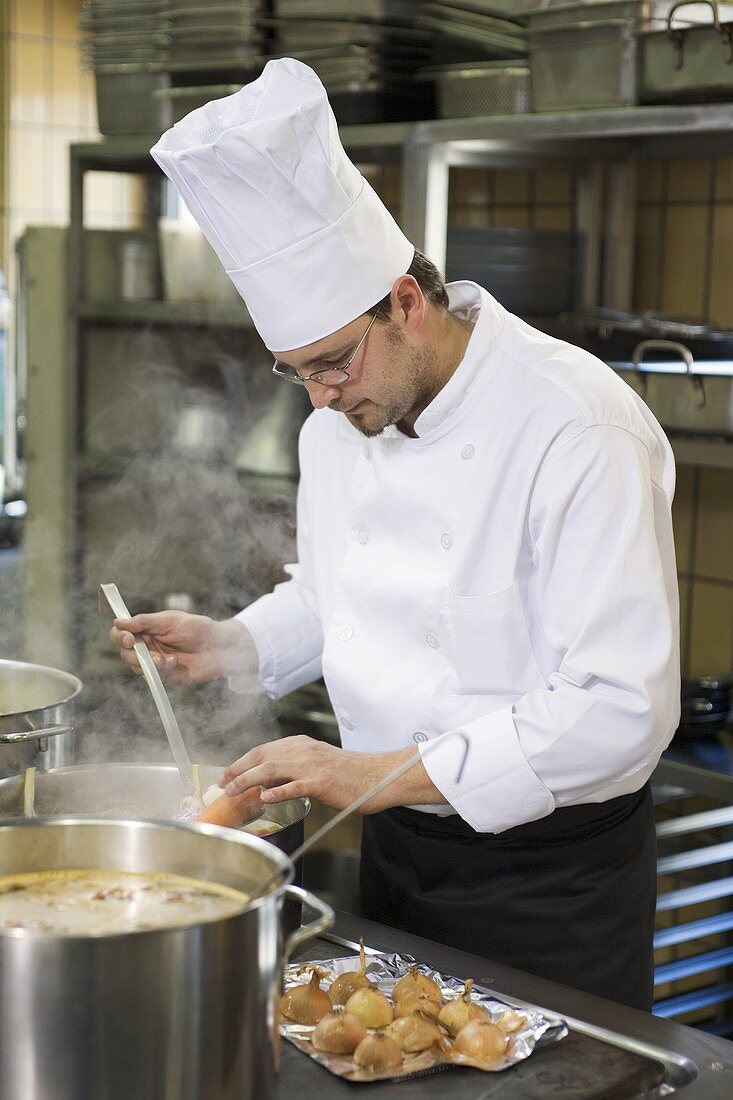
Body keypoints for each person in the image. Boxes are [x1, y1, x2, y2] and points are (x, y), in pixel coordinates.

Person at [112, 58, 680, 1011]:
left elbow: (618, 710)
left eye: (332, 362)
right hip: (394, 856)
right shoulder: (340, 423)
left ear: (405, 301)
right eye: (297, 374)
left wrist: (369, 772)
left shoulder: (578, 425)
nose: (323, 398)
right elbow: (342, 594)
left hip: (545, 883)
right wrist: (237, 645)